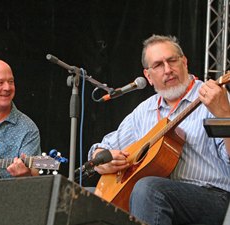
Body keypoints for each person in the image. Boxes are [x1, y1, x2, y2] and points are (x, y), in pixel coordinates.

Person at [88, 35, 230, 225]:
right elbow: (101, 149)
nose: (168, 70)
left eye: (172, 61)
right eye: (158, 65)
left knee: (148, 188)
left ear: (185, 62)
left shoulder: (214, 98)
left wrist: (225, 115)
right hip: (154, 197)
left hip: (213, 197)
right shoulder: (144, 111)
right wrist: (101, 159)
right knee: (90, 199)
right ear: (148, 76)